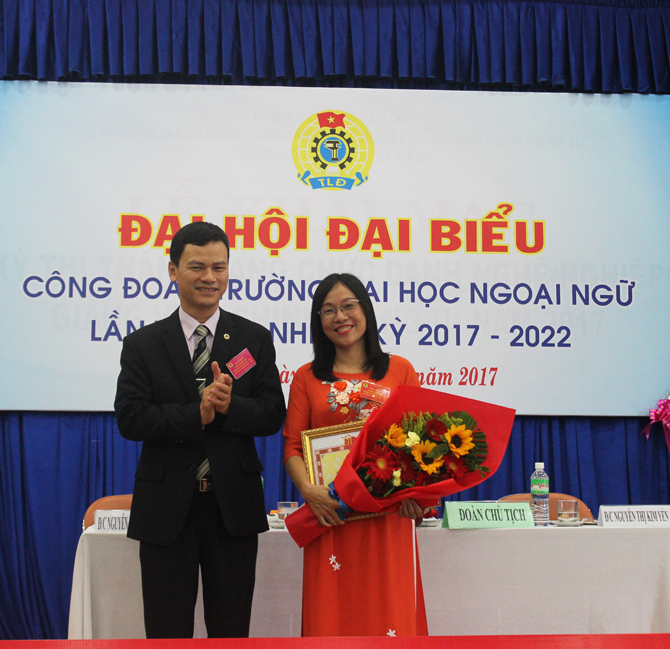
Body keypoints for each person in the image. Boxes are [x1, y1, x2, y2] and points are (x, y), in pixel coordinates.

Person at [114, 221, 286, 638]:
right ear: (173, 270)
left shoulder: (253, 339)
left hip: (233, 508)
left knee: (231, 631)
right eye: (197, 266)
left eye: (218, 267)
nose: (210, 277)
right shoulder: (143, 344)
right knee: (166, 632)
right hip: (166, 508)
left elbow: (271, 414)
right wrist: (198, 415)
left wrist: (228, 408)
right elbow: (131, 418)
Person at [283, 272, 428, 637]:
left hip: (388, 522)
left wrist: (416, 495)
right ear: (318, 320)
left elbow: (421, 445)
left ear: (366, 310)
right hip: (331, 516)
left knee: (390, 617)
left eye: (349, 305)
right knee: (332, 619)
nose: (340, 316)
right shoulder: (305, 378)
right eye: (328, 310)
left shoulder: (400, 370)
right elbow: (293, 447)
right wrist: (309, 491)